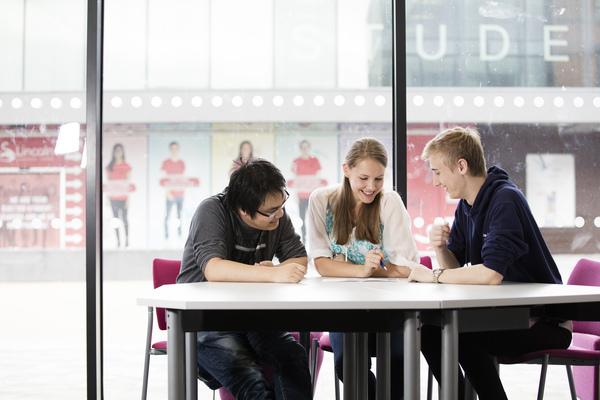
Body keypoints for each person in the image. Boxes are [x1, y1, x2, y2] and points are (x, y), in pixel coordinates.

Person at [408, 126, 572, 400]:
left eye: (437, 171)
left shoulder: (505, 199)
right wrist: (440, 248)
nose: (435, 182)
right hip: (508, 315)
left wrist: (432, 276)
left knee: (466, 335)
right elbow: (456, 268)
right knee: (431, 334)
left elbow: (491, 275)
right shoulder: (467, 205)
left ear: (461, 166)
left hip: (545, 323)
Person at [177, 159, 312, 400]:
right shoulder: (212, 211)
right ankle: (206, 365)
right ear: (242, 208)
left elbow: (299, 259)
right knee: (253, 382)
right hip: (205, 319)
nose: (279, 214)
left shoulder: (277, 217)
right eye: (271, 211)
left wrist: (278, 268)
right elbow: (213, 269)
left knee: (294, 358)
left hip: (253, 316)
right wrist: (271, 274)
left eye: (282, 204)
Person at [306, 137, 420, 400]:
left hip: (392, 305)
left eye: (379, 179)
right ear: (346, 170)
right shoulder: (321, 201)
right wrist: (363, 270)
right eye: (364, 178)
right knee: (347, 364)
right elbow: (322, 264)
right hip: (344, 306)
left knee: (397, 364)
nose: (371, 187)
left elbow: (406, 268)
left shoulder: (388, 201)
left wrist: (361, 268)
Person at [291, 139, 324, 243]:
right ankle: (303, 240)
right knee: (302, 218)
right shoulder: (296, 162)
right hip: (301, 195)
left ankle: (313, 240)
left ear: (309, 148)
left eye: (306, 147)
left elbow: (318, 178)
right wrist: (295, 195)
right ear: (300, 149)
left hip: (312, 195)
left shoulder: (315, 161)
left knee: (313, 219)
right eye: (303, 147)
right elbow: (295, 180)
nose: (305, 150)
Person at [105, 143, 131, 248]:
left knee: (124, 219)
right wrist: (107, 196)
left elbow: (128, 183)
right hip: (113, 197)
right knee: (115, 220)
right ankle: (118, 241)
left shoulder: (126, 166)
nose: (118, 153)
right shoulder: (109, 167)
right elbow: (108, 183)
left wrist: (128, 198)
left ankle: (127, 240)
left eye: (120, 151)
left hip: (123, 197)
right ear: (114, 153)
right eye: (116, 151)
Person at [161, 141, 186, 240]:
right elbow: (163, 179)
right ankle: (166, 236)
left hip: (180, 194)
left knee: (179, 216)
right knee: (167, 216)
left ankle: (179, 235)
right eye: (172, 148)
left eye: (176, 148)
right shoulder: (166, 163)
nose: (174, 151)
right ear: (170, 150)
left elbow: (184, 178)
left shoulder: (181, 163)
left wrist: (184, 190)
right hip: (170, 194)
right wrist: (168, 192)